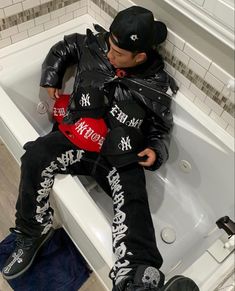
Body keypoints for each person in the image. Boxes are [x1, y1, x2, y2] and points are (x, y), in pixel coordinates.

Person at [1, 5, 200, 291]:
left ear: (140, 57)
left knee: (133, 191)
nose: (109, 55)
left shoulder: (154, 86)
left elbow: (160, 128)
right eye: (109, 46)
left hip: (115, 156)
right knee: (35, 155)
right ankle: (34, 230)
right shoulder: (94, 46)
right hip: (75, 136)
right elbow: (63, 49)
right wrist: (51, 77)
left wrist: (156, 150)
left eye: (118, 54)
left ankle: (134, 276)